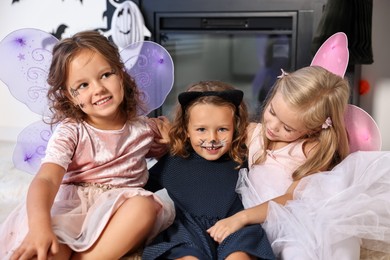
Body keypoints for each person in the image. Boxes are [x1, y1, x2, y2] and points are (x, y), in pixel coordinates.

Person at [0, 30, 174, 259]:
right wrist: (39, 227)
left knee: (145, 206)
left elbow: (176, 147)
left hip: (118, 212)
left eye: (105, 75)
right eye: (82, 85)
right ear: (70, 96)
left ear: (121, 74)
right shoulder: (72, 131)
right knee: (47, 250)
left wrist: (171, 141)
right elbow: (46, 179)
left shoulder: (144, 129)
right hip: (72, 210)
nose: (98, 89)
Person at [207, 66, 390, 259]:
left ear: (312, 130)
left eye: (287, 128)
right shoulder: (253, 133)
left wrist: (241, 217)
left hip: (298, 217)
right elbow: (213, 132)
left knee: (328, 242)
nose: (273, 126)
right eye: (272, 111)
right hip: (263, 220)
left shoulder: (310, 150)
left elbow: (291, 199)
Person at [142, 81, 275, 259]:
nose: (212, 139)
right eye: (201, 129)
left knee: (239, 256)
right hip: (186, 232)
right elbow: (140, 189)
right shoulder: (172, 159)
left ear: (235, 128)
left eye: (222, 129)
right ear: (186, 129)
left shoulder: (243, 157)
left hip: (235, 228)